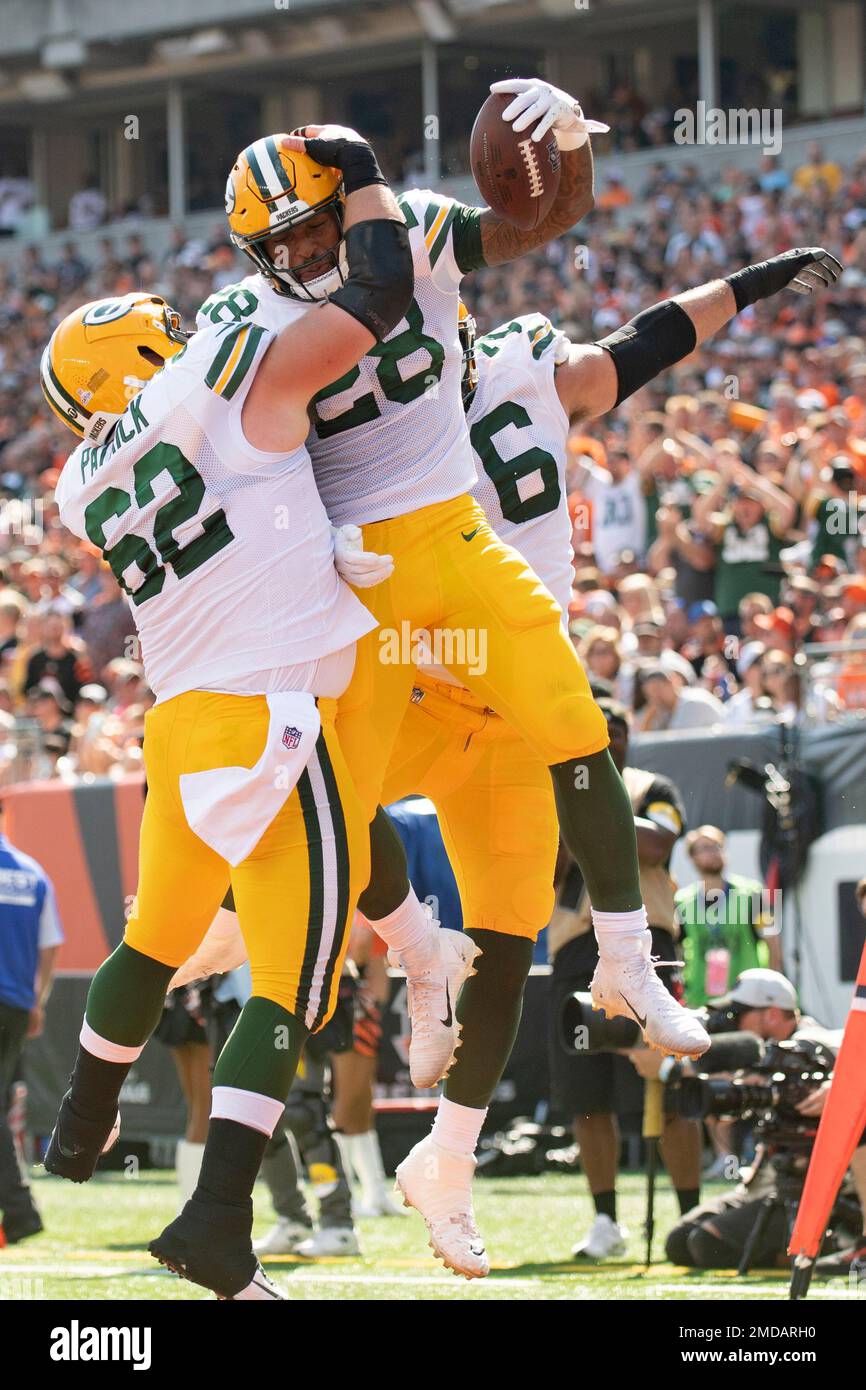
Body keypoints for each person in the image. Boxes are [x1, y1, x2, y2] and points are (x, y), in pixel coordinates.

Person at [193, 218, 841, 1274]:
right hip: (430, 658)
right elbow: (644, 340)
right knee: (326, 792)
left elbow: (633, 345)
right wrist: (750, 282)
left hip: (477, 672)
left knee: (503, 933)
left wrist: (751, 279)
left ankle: (444, 1156)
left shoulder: (405, 359)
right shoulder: (470, 364)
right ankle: (378, 946)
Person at [38, 124, 414, 1301]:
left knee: (154, 940)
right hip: (273, 717)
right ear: (138, 348)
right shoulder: (220, 370)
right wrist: (358, 179)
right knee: (291, 986)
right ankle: (215, 1224)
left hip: (186, 721)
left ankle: (80, 1118)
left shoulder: (80, 482)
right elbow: (379, 294)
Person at [549, 700, 700, 1259]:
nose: (607, 742)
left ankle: (691, 1217)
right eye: (597, 731)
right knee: (587, 1092)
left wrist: (587, 808)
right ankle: (605, 1219)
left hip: (648, 940)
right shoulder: (553, 783)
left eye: (616, 733)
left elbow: (659, 842)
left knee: (672, 1081)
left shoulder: (650, 785)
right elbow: (544, 861)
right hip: (573, 944)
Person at [658, 969, 855, 1270]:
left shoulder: (819, 1046)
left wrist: (839, 1085)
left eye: (740, 1013)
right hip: (770, 1182)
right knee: (680, 1242)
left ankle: (828, 1245)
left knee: (706, 1245)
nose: (733, 1023)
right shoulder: (760, 1054)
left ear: (773, 1014)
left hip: (821, 1190)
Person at [0, 803, 63, 1244]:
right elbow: (51, 943)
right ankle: (20, 1212)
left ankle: (21, 1211)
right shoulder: (32, 872)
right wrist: (37, 1001)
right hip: (17, 1007)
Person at [676, 825, 778, 1008]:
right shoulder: (682, 901)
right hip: (700, 1001)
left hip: (746, 999)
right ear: (692, 857)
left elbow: (773, 940)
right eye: (706, 848)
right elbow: (676, 952)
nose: (714, 852)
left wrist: (771, 992)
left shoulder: (753, 893)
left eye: (718, 846)